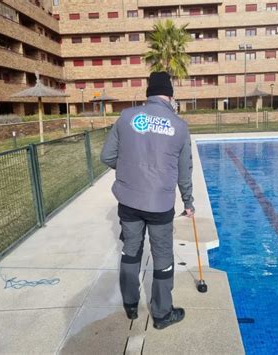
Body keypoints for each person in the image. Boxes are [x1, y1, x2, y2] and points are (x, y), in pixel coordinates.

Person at [100, 71, 194, 330]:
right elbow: (185, 171)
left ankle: (130, 306)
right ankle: (162, 315)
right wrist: (188, 201)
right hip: (160, 204)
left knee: (131, 251)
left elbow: (107, 156)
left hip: (129, 201)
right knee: (162, 257)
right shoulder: (179, 126)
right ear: (170, 95)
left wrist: (129, 169)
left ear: (148, 93)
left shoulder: (126, 117)